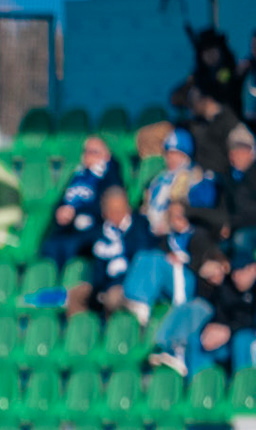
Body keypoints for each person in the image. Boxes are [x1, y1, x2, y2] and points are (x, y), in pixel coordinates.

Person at [123, 197, 219, 326]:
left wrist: (181, 260)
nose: (175, 219)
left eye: (178, 214)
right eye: (171, 215)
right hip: (170, 278)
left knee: (156, 259)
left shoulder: (198, 236)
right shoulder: (168, 239)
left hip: (189, 280)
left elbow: (202, 264)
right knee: (144, 256)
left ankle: (140, 301)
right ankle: (134, 300)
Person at [39, 137, 126, 269]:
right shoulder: (78, 175)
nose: (88, 156)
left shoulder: (110, 174)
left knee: (70, 246)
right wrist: (60, 212)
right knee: (49, 245)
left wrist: (75, 213)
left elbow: (108, 205)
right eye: (86, 151)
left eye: (94, 152)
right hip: (69, 228)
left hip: (94, 227)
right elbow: (62, 200)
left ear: (106, 155)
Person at [68, 187, 156, 317]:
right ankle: (79, 328)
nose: (116, 216)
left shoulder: (140, 227)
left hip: (126, 284)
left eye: (119, 210)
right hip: (103, 284)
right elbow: (96, 264)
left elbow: (139, 261)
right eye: (111, 211)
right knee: (76, 294)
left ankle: (111, 329)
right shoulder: (100, 233)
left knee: (112, 297)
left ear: (127, 209)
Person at [186, 247, 256, 377]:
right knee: (198, 340)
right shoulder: (226, 288)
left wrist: (229, 330)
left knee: (242, 340)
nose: (237, 277)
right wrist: (211, 329)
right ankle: (198, 381)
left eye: (243, 271)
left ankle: (243, 382)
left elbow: (250, 321)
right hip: (227, 339)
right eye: (235, 272)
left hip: (247, 337)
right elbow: (219, 315)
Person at [144, 128, 220, 237]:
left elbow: (203, 208)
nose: (170, 158)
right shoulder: (159, 180)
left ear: (185, 155)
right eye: (168, 154)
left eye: (175, 154)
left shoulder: (196, 177)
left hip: (183, 234)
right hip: (154, 234)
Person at [219, 125, 256, 257]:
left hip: (249, 226)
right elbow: (225, 206)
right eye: (231, 151)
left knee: (241, 240)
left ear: (250, 152)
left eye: (238, 151)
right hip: (238, 226)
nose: (233, 156)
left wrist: (231, 223)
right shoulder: (230, 177)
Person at [188, 86, 237, 181]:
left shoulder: (228, 120)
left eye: (193, 104)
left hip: (224, 177)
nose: (192, 110)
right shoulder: (199, 123)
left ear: (206, 100)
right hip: (204, 177)